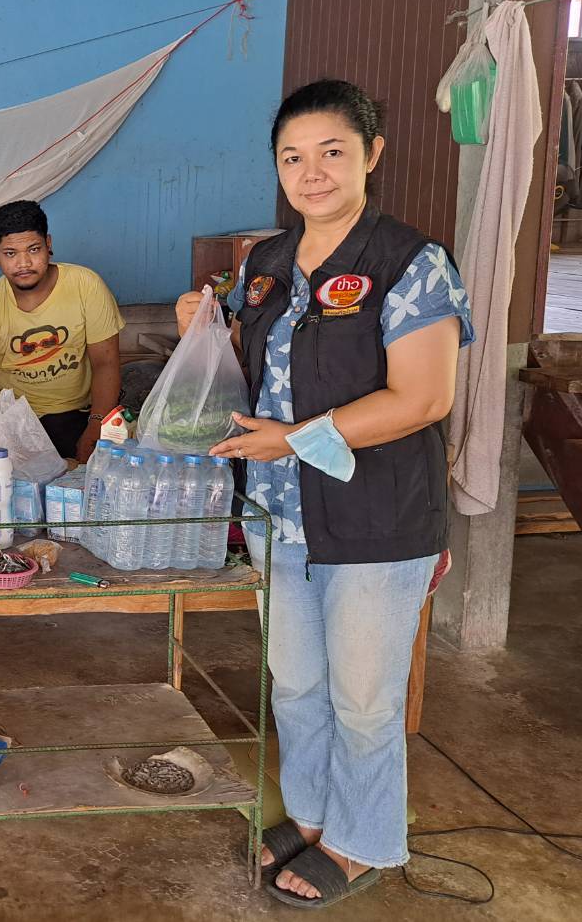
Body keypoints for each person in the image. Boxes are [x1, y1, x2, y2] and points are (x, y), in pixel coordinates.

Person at [176, 80, 474, 907]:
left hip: (378, 518)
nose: (310, 174)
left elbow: (422, 398)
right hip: (279, 516)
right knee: (296, 684)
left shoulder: (410, 264)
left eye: (331, 152)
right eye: (292, 158)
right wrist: (201, 323)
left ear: (371, 155)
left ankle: (360, 841)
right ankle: (310, 817)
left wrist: (293, 439)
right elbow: (249, 365)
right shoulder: (264, 266)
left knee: (365, 699)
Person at [0, 200, 124, 461]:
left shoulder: (86, 286)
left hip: (75, 415)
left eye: (33, 249)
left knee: (105, 451)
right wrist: (17, 440)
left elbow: (106, 363)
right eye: (10, 253)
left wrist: (96, 425)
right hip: (12, 420)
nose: (23, 263)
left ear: (48, 244)